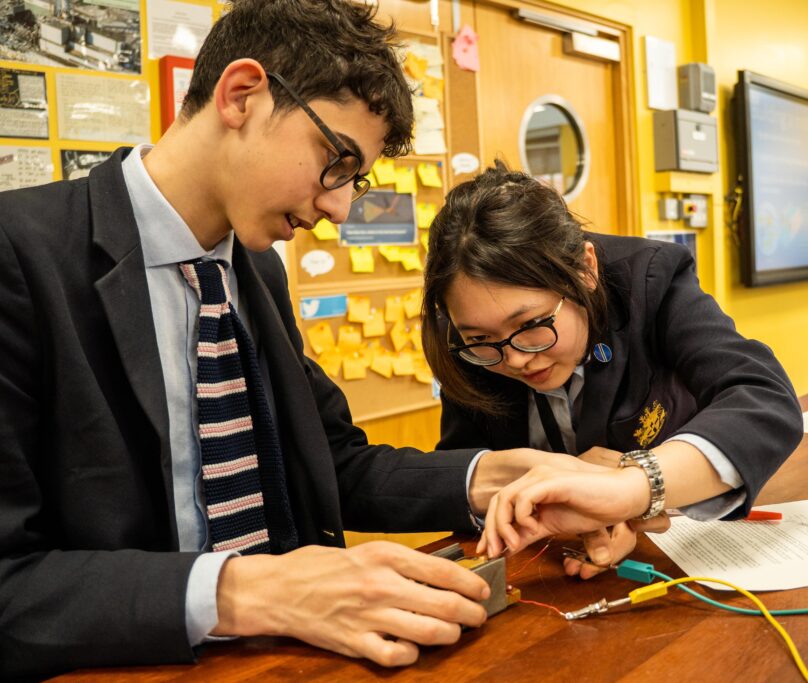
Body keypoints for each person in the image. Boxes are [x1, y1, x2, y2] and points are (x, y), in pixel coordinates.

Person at [0, 3, 582, 678]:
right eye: (336, 162)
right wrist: (252, 591)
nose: (337, 209)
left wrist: (514, 477)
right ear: (241, 94)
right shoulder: (21, 255)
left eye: (353, 181)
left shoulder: (255, 272)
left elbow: (332, 464)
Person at [421, 162, 804, 572]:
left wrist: (634, 487)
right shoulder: (466, 337)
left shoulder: (649, 278)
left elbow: (764, 398)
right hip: (541, 562)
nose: (514, 358)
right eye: (480, 339)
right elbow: (463, 474)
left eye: (531, 325)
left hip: (673, 537)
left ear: (586, 270)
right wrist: (547, 507)